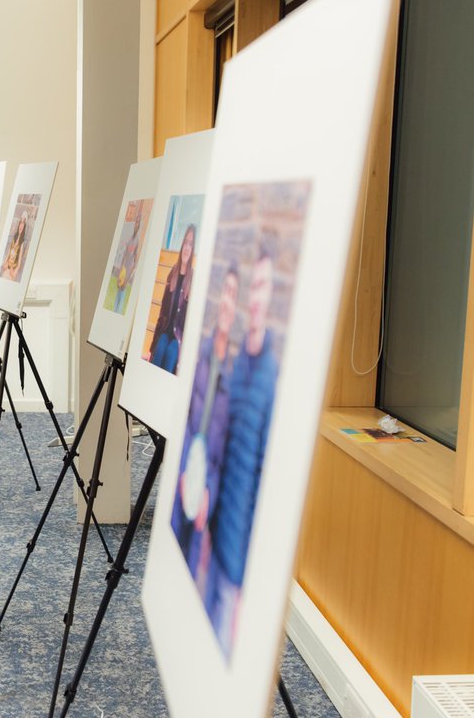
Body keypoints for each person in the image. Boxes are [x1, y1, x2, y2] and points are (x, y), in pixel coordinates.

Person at [206, 244, 280, 655]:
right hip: (216, 542)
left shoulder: (270, 379)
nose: (254, 297)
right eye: (253, 287)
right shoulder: (236, 367)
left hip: (240, 566)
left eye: (263, 287)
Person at [169, 262, 239, 578]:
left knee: (193, 573)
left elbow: (224, 447)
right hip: (184, 474)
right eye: (224, 293)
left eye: (233, 296)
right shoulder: (202, 358)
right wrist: (181, 470)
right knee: (170, 562)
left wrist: (208, 488)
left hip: (206, 493)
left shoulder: (233, 376)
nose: (227, 302)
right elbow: (185, 420)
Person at [149, 223, 196, 374]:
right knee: (160, 347)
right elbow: (162, 311)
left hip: (178, 338)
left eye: (191, 244)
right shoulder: (172, 273)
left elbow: (190, 323)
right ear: (182, 245)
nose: (187, 247)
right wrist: (152, 347)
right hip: (164, 331)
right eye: (186, 243)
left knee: (171, 353)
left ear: (192, 249)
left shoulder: (193, 279)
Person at [0, 210, 29, 281]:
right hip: (7, 269)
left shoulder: (21, 244)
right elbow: (8, 254)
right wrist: (5, 264)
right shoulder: (13, 239)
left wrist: (14, 273)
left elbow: (19, 263)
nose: (21, 225)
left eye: (23, 223)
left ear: (24, 226)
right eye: (20, 222)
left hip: (12, 272)